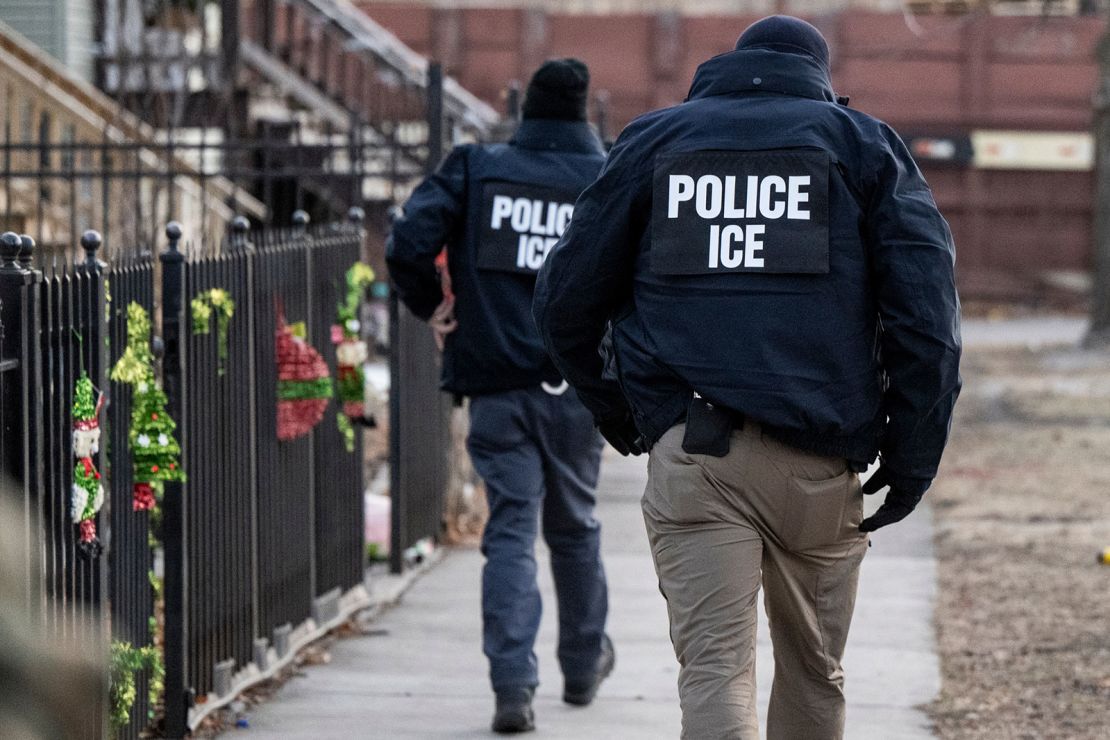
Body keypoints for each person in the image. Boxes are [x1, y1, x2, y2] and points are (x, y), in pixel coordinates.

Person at [534, 16, 961, 740]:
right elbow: (927, 321)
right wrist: (913, 455)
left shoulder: (656, 141)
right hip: (822, 463)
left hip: (697, 453)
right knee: (814, 676)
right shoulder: (862, 146)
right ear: (819, 79)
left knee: (715, 674)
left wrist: (623, 414)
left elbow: (564, 299)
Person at [386, 59, 614, 734]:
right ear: (579, 118)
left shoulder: (476, 168)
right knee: (575, 525)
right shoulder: (603, 179)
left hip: (496, 386)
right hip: (578, 389)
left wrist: (433, 306)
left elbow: (408, 242)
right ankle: (581, 664)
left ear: (527, 115)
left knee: (511, 529)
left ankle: (513, 686)